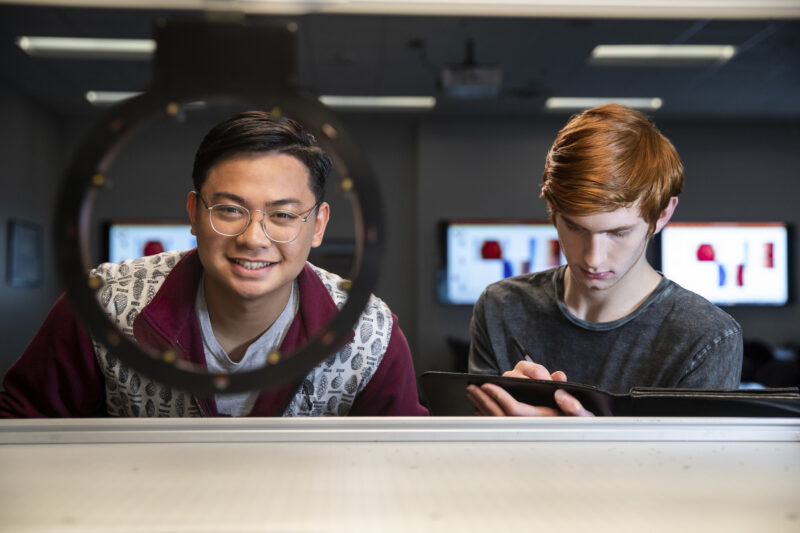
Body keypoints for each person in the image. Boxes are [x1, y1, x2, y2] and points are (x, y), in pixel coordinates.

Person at [0, 111, 428, 417]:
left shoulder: (370, 333)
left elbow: (402, 465)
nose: (253, 239)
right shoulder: (104, 304)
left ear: (317, 226)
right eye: (228, 210)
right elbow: (20, 429)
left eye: (282, 215)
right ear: (194, 213)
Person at [466, 103, 743, 417]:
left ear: (663, 214)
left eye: (619, 233)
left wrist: (584, 441)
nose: (593, 258)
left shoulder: (707, 337)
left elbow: (695, 465)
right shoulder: (501, 307)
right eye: (574, 227)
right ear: (552, 210)